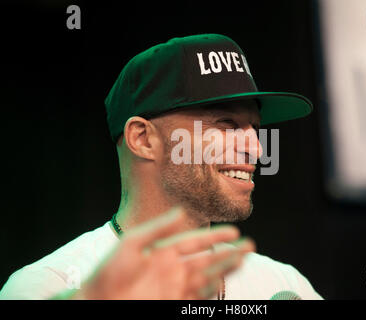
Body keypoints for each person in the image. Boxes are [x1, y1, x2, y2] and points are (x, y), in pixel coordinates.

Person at [0, 34, 322, 300]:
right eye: (226, 123)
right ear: (142, 139)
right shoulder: (49, 285)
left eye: (254, 127)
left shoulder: (285, 284)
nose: (257, 148)